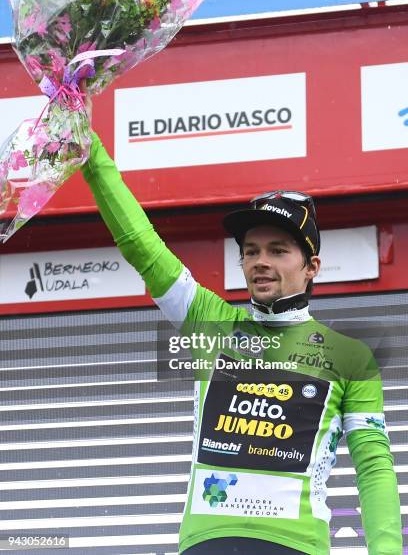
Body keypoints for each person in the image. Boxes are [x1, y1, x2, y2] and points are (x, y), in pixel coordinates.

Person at [81, 93, 401, 555]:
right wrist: (90, 154)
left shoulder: (351, 356)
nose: (260, 263)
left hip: (296, 546)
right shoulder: (211, 322)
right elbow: (140, 245)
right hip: (205, 544)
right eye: (250, 251)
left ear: (311, 266)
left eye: (277, 250)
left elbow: (374, 468)